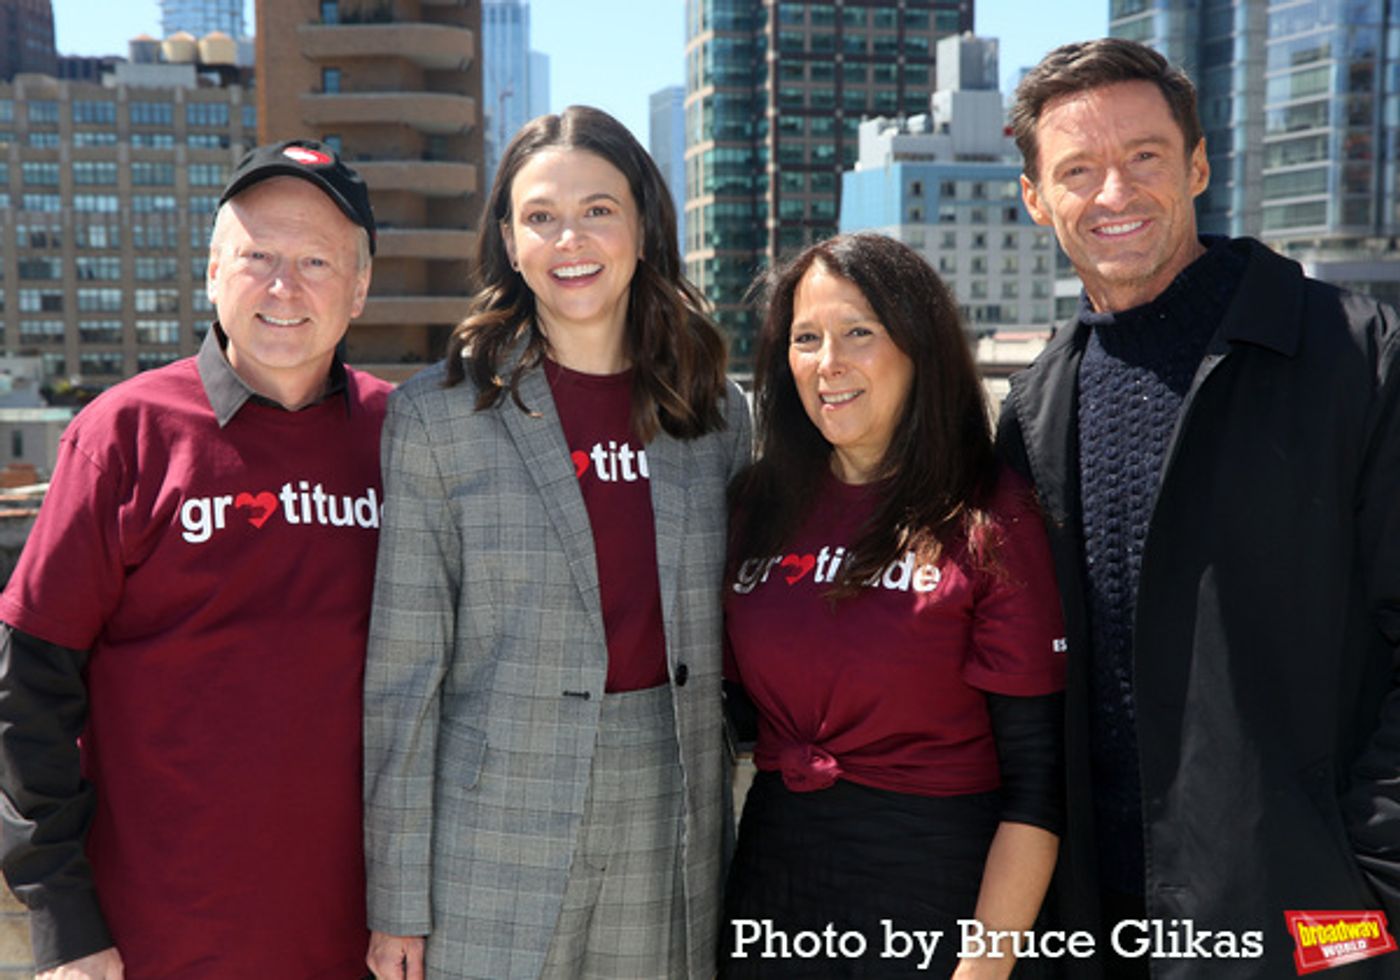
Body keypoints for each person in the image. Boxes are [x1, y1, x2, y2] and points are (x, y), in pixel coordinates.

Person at [999, 37, 1400, 978]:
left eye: (1144, 155)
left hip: (1308, 928)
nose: (1115, 192)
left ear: (1198, 165)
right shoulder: (1035, 409)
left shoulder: (1360, 358)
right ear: (1035, 198)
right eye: (1078, 169)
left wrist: (1374, 890)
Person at [362, 105, 750, 980]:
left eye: (598, 210)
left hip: (670, 806)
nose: (569, 239)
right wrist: (397, 903)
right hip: (490, 828)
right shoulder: (436, 416)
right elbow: (403, 681)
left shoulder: (717, 415)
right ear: (509, 239)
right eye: (540, 216)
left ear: (643, 226)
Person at [0, 140, 390, 978]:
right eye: (257, 256)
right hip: (152, 948)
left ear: (359, 289)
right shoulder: (123, 434)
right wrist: (65, 922)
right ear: (213, 271)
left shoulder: (407, 442)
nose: (283, 287)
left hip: (368, 947)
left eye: (316, 261)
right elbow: (27, 694)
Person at [721, 233, 1067, 978]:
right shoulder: (756, 507)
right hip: (773, 888)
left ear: (919, 349)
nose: (828, 363)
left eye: (859, 333)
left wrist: (983, 966)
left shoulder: (991, 517)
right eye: (806, 338)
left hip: (935, 894)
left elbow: (1039, 788)